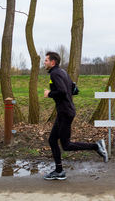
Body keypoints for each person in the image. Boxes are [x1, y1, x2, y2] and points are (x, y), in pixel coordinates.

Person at [43, 51, 108, 181]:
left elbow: (61, 91)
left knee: (66, 145)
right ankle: (59, 171)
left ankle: (96, 146)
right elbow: (74, 89)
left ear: (52, 62)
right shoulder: (62, 72)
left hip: (65, 112)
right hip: (65, 111)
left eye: (46, 60)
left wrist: (49, 94)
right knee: (52, 140)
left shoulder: (55, 74)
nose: (44, 62)